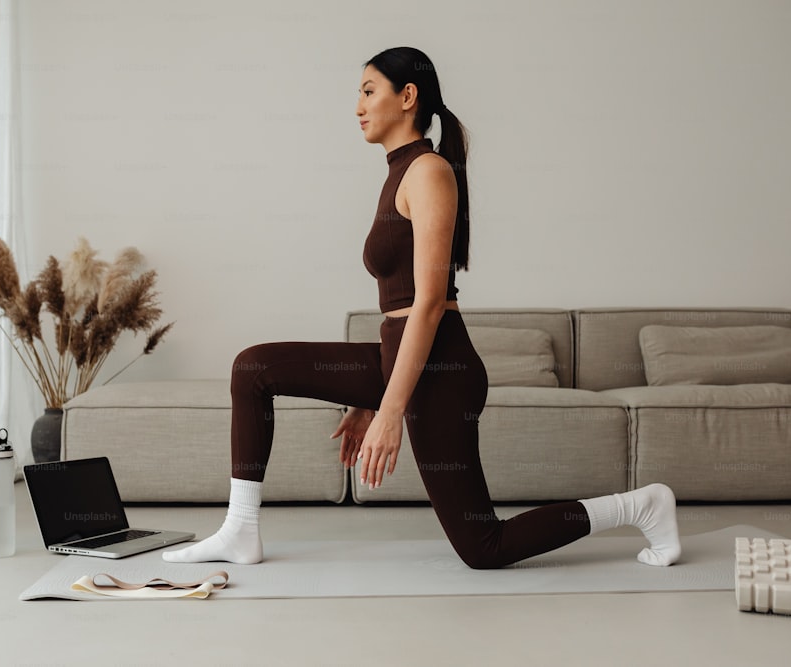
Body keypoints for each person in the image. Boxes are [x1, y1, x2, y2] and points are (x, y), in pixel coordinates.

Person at [163, 47, 681, 569]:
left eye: (369, 91)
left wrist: (389, 411)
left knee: (484, 547)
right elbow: (400, 305)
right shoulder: (400, 171)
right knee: (253, 368)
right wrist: (369, 399)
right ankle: (240, 529)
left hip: (442, 372)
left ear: (407, 96)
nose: (359, 106)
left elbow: (429, 303)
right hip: (403, 358)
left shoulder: (429, 171)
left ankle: (642, 505)